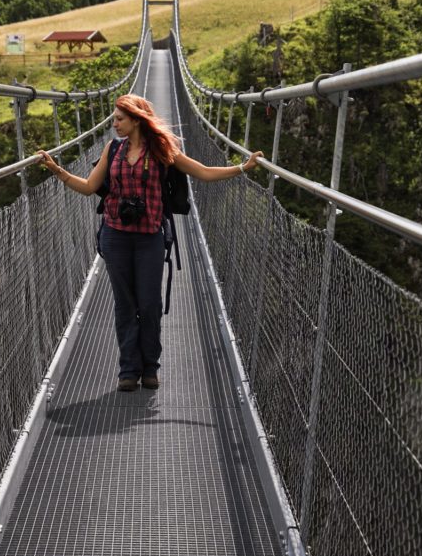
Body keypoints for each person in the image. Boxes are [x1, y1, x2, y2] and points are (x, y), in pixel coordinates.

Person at [38, 94, 263, 393]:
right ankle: (128, 370)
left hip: (150, 239)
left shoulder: (162, 150)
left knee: (150, 303)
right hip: (115, 235)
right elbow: (90, 186)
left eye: (119, 119)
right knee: (124, 304)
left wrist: (242, 168)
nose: (114, 124)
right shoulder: (113, 148)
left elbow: (202, 172)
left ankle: (150, 368)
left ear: (136, 119)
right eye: (114, 118)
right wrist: (57, 170)